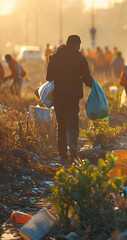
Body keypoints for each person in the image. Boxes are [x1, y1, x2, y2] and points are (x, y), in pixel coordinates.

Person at [46, 35, 93, 164]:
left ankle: (62, 156)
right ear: (76, 45)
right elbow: (87, 79)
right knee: (72, 125)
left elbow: (49, 77)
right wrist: (94, 86)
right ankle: (72, 145)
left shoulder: (55, 58)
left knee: (61, 127)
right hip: (72, 98)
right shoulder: (80, 59)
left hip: (59, 97)